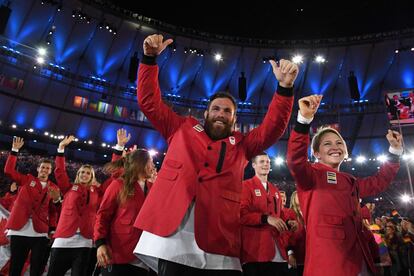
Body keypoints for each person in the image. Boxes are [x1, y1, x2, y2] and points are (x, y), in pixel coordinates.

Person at [133, 34, 298, 276]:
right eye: (216, 109)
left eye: (227, 111)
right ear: (206, 113)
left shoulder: (242, 145)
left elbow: (273, 129)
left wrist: (284, 89)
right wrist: (149, 59)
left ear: (234, 119)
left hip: (219, 236)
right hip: (173, 235)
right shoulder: (181, 128)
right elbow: (149, 102)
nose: (221, 114)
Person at [286, 95, 403, 276]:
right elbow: (295, 160)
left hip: (359, 259)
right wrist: (303, 120)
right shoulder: (311, 176)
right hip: (329, 263)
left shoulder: (350, 180)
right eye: (327, 144)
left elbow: (378, 182)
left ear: (346, 150)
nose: (335, 146)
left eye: (339, 142)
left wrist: (395, 152)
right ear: (316, 153)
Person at [3, 137, 60, 276]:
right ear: (38, 168)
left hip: (40, 232)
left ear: (50, 171)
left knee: (37, 267)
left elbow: (54, 211)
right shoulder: (27, 179)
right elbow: (9, 170)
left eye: (48, 168)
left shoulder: (54, 188)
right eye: (43, 167)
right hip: (19, 229)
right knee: (16, 265)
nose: (45, 170)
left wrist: (52, 229)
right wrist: (15, 151)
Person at [94, 148, 155, 276]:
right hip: (118, 254)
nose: (153, 165)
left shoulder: (152, 188)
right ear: (140, 164)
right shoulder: (118, 185)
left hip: (145, 258)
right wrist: (100, 243)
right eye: (150, 161)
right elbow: (103, 215)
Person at [240, 152, 297, 276]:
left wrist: (288, 223)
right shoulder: (246, 186)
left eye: (267, 162)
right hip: (256, 253)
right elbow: (242, 215)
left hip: (279, 253)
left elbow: (280, 215)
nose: (266, 164)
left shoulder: (275, 189)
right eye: (262, 161)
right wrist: (266, 219)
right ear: (254, 165)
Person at [289, 191, 306, 276]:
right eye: (298, 195)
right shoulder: (289, 214)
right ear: (293, 199)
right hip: (296, 258)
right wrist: (290, 253)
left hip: (310, 258)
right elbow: (286, 236)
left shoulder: (309, 214)